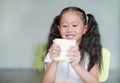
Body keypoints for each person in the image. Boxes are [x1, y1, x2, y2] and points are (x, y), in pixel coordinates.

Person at [42, 6, 102, 83]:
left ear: (84, 29)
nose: (69, 30)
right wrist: (54, 61)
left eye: (75, 25)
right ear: (59, 29)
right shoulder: (53, 52)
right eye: (64, 26)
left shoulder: (89, 55)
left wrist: (76, 65)